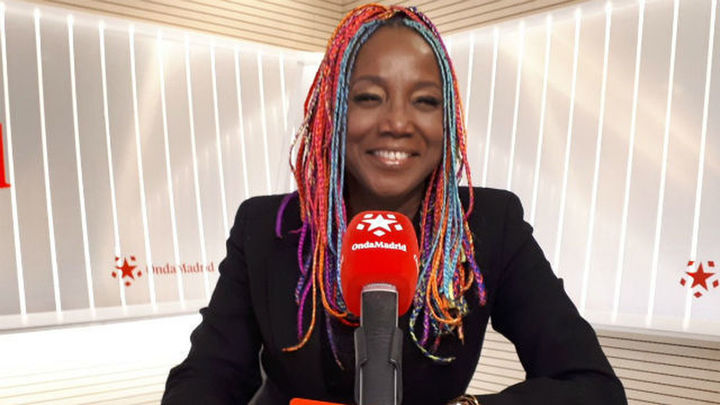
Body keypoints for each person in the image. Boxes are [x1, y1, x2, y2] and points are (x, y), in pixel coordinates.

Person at [162, 5, 626, 405]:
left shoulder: (488, 224)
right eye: (369, 97)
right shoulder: (267, 226)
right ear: (333, 111)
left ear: (448, 120)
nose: (398, 123)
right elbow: (205, 379)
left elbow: (593, 388)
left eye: (425, 101)